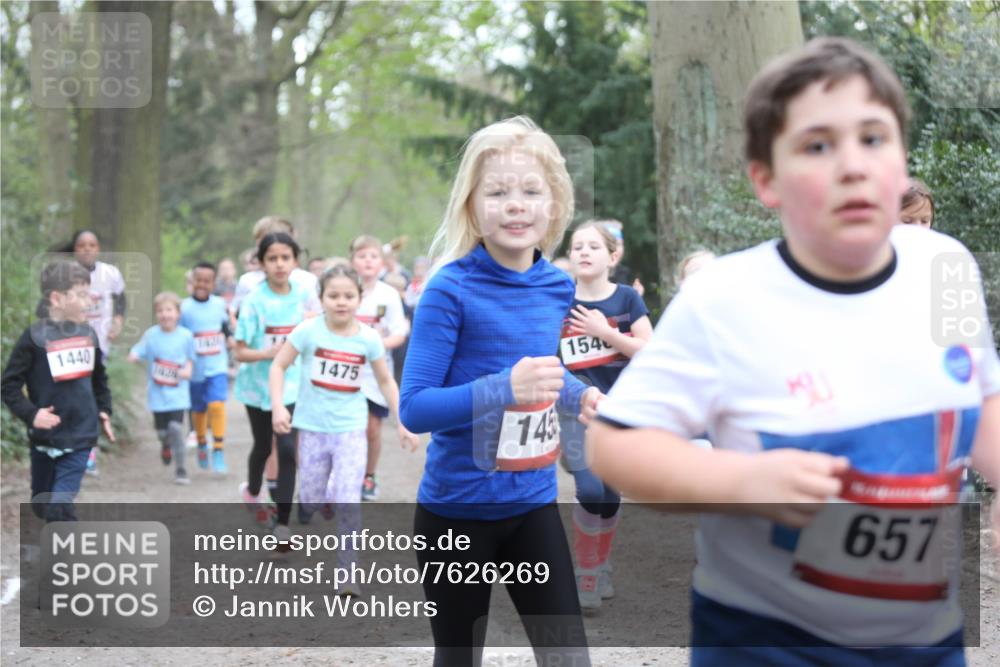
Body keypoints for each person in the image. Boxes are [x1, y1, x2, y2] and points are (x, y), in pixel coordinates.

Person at [587, 37, 1000, 665]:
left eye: (873, 137)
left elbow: (982, 398)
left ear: (901, 161)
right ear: (766, 180)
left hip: (925, 636)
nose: (853, 165)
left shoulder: (946, 267)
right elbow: (615, 445)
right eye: (817, 146)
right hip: (766, 643)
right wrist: (738, 481)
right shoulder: (722, 299)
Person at [400, 116, 601, 666]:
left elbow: (545, 375)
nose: (516, 205)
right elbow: (415, 408)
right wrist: (503, 388)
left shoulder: (557, 286)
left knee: (568, 660)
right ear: (471, 205)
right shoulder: (448, 289)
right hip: (455, 515)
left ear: (554, 205)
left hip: (532, 507)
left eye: (531, 191)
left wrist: (580, 395)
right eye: (497, 192)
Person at [269, 265, 419, 592]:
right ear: (321, 298)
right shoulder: (308, 331)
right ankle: (325, 495)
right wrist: (279, 406)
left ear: (359, 298)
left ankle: (347, 573)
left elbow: (385, 380)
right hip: (312, 427)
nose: (341, 301)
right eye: (333, 295)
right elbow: (279, 365)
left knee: (349, 500)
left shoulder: (369, 338)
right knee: (310, 499)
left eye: (348, 295)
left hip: (351, 428)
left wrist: (402, 421)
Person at [560, 220, 652, 610]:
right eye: (577, 246)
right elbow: (548, 355)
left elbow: (650, 350)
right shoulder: (560, 301)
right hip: (575, 409)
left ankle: (599, 563)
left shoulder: (626, 300)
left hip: (621, 410)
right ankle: (586, 570)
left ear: (612, 257)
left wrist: (607, 333)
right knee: (591, 489)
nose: (584, 252)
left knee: (611, 495)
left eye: (593, 246)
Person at [2, 261, 114, 521]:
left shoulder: (88, 335)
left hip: (81, 436)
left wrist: (104, 410)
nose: (89, 302)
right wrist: (32, 414)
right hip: (45, 439)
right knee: (41, 505)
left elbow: (99, 380)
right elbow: (8, 386)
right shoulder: (33, 338)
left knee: (59, 506)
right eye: (81, 295)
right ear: (57, 298)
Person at [234, 233, 314, 540]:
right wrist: (268, 353)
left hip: (291, 385)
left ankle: (282, 522)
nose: (279, 264)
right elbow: (240, 352)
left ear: (295, 261)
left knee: (288, 449)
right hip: (257, 387)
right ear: (262, 263)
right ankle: (253, 491)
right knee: (263, 446)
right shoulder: (254, 301)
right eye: (272, 259)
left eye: (285, 258)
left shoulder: (303, 295)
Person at [350, 235, 409, 501]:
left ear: (381, 262)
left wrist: (376, 346)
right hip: (345, 371)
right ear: (353, 261)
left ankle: (369, 475)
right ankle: (344, 475)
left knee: (372, 429)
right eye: (362, 256)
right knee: (345, 429)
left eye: (373, 256)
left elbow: (399, 333)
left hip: (376, 373)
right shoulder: (344, 289)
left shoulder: (389, 295)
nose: (367, 261)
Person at [68, 230, 125, 476]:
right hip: (70, 344)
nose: (87, 249)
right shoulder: (66, 274)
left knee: (90, 395)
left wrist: (118, 321)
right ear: (75, 249)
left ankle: (89, 452)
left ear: (98, 248)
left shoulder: (110, 273)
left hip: (99, 344)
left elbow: (121, 299)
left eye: (92, 244)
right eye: (82, 245)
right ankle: (71, 447)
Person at [128, 292, 195, 484]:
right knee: (163, 432)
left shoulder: (186, 335)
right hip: (157, 395)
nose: (165, 314)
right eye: (160, 311)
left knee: (176, 428)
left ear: (178, 313)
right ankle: (165, 444)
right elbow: (139, 349)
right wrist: (133, 355)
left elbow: (191, 358)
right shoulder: (151, 335)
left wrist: (187, 370)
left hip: (178, 394)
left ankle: (181, 470)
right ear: (156, 314)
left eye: (169, 310)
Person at [181, 261, 232, 474]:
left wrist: (230, 338)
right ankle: (202, 441)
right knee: (199, 409)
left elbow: (225, 326)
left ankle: (218, 448)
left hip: (217, 365)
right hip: (195, 370)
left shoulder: (219, 304)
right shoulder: (184, 307)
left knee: (217, 405)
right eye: (198, 280)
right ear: (192, 281)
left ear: (213, 283)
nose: (202, 284)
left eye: (207, 281)